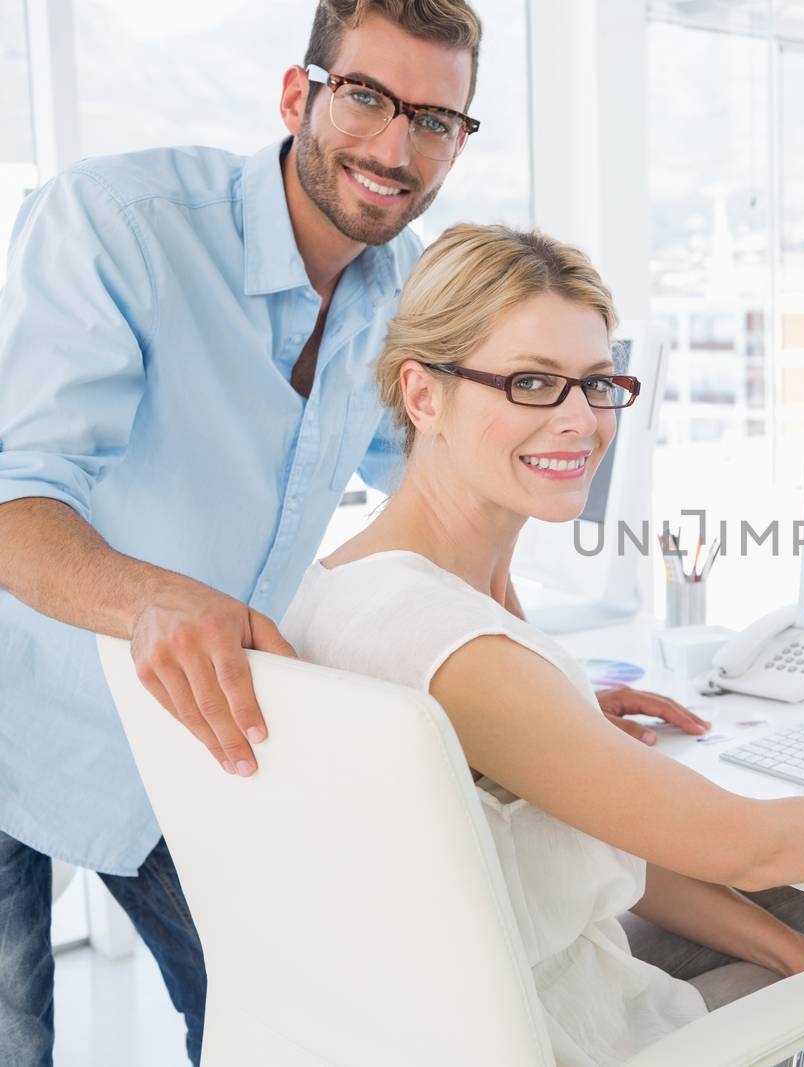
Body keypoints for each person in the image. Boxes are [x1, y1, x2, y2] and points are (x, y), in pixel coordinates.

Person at [0, 3, 694, 1061]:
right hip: (24, 718)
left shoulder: (406, 290)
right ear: (300, 95)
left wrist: (535, 690)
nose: (395, 147)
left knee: (286, 1022)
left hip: (210, 736)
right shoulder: (115, 223)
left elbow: (446, 503)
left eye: (436, 119)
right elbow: (15, 491)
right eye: (368, 97)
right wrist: (153, 596)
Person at [282, 224, 804, 1067]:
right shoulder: (462, 645)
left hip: (472, 991)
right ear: (423, 396)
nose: (579, 421)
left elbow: (590, 827)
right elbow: (748, 843)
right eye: (530, 382)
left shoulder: (359, 582)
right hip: (555, 1025)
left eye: (597, 384)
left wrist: (788, 949)